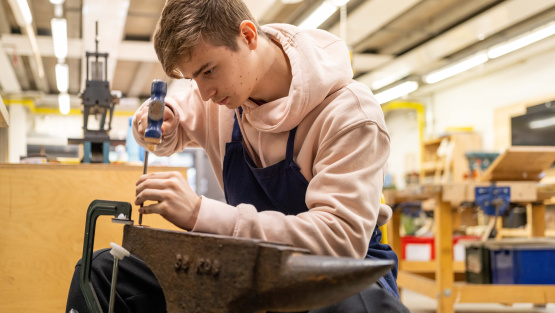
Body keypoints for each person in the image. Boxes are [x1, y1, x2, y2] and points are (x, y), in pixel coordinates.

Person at [66, 0, 410, 312]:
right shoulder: (222, 94)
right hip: (243, 265)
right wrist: (156, 120)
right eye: (191, 79)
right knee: (101, 271)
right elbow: (172, 128)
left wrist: (202, 214)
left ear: (247, 35)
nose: (203, 92)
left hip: (335, 272)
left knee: (342, 305)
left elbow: (338, 242)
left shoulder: (350, 114)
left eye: (207, 71)